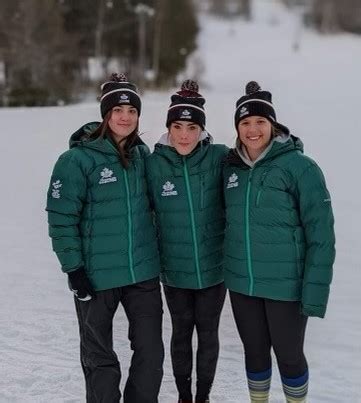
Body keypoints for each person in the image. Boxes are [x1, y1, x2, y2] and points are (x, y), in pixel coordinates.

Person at [46, 73, 164, 403]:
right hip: (97, 277)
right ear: (105, 115)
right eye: (118, 110)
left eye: (132, 111)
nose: (125, 117)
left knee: (151, 355)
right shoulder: (76, 160)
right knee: (99, 358)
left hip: (142, 273)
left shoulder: (145, 159)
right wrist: (74, 268)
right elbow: (61, 217)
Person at [223, 81, 335, 403]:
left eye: (260, 121)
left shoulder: (300, 167)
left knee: (289, 356)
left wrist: (314, 292)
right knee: (254, 354)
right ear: (238, 128)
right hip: (243, 284)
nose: (253, 129)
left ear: (273, 125)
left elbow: (322, 235)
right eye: (245, 123)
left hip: (285, 286)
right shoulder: (230, 170)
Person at [146, 80, 228, 403]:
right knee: (181, 334)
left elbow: (257, 160)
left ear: (202, 130)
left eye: (192, 127)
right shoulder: (153, 165)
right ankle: (183, 396)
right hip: (175, 271)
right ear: (168, 128)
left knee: (208, 335)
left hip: (213, 270)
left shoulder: (220, 158)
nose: (184, 135)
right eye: (177, 126)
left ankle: (203, 397)